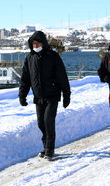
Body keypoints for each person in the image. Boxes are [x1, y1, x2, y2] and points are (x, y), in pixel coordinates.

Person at [18, 31, 71, 160]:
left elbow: (62, 76)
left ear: (43, 43)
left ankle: (49, 149)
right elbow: (25, 79)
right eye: (33, 43)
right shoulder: (30, 58)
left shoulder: (52, 56)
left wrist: (66, 95)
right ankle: (45, 146)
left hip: (52, 95)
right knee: (41, 123)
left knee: (48, 121)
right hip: (38, 96)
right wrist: (22, 95)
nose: (35, 45)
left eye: (38, 43)